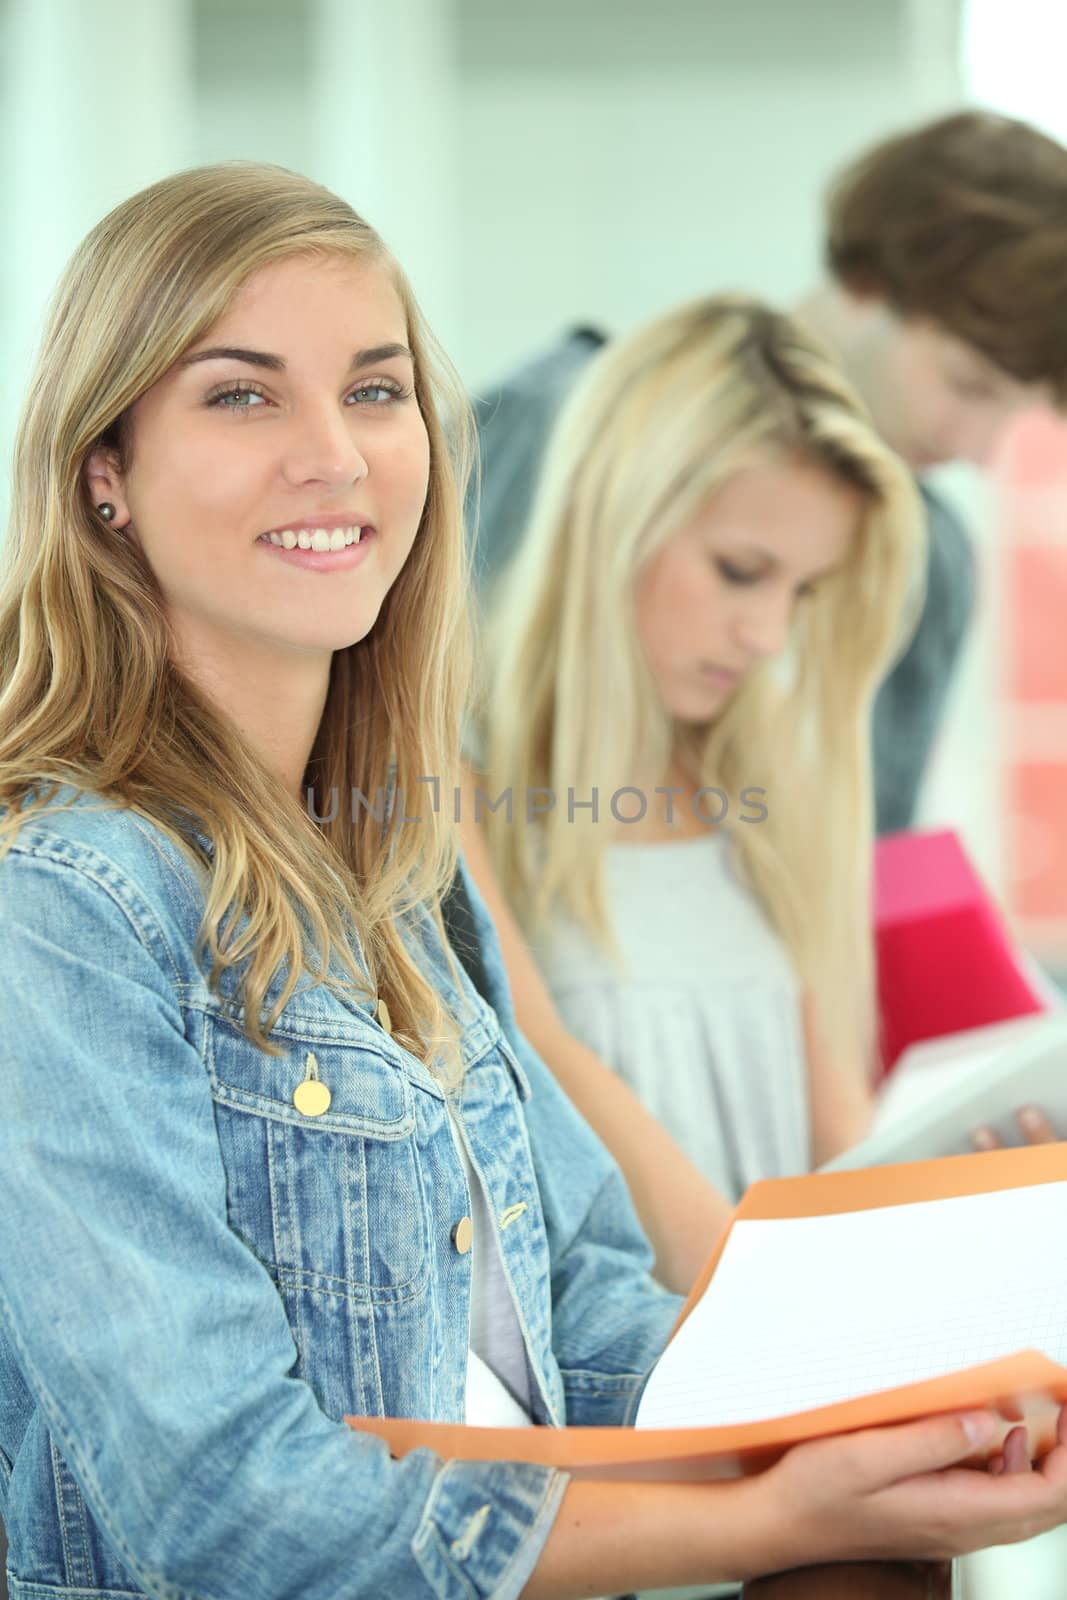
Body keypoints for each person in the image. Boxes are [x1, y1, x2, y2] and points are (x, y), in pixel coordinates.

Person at [1, 162, 1065, 1600]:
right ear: (101, 473)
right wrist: (770, 1518)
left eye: (374, 393)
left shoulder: (400, 870)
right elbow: (227, 1507)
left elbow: (591, 1310)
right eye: (242, 394)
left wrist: (888, 1417)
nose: (336, 454)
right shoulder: (61, 899)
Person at [469, 110, 1067, 835]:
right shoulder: (563, 417)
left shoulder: (929, 560)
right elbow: (407, 742)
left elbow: (872, 868)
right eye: (968, 385)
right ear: (866, 284)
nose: (978, 449)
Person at [475, 295, 923, 1202]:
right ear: (614, 518)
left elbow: (844, 1155)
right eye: (740, 572)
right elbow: (544, 1080)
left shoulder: (758, 801)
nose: (766, 635)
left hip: (789, 1325)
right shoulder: (454, 786)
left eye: (802, 592)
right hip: (644, 1341)